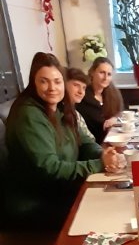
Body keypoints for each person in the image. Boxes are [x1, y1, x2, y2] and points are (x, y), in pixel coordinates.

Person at [5, 52, 122, 229]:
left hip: (62, 187)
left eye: (57, 81)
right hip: (38, 200)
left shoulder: (61, 107)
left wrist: (104, 154)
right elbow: (49, 168)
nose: (52, 88)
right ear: (33, 83)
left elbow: (85, 142)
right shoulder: (28, 114)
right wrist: (99, 164)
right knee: (106, 212)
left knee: (116, 196)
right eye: (44, 81)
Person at [76, 57, 123, 144]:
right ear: (92, 72)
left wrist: (115, 119)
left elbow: (120, 113)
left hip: (112, 140)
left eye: (109, 74)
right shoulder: (82, 96)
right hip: (93, 144)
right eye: (102, 73)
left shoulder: (114, 93)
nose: (105, 78)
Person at [65, 67, 98, 143]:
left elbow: (90, 140)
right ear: (64, 85)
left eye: (83, 88)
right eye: (76, 85)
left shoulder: (76, 114)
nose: (81, 92)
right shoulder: (59, 112)